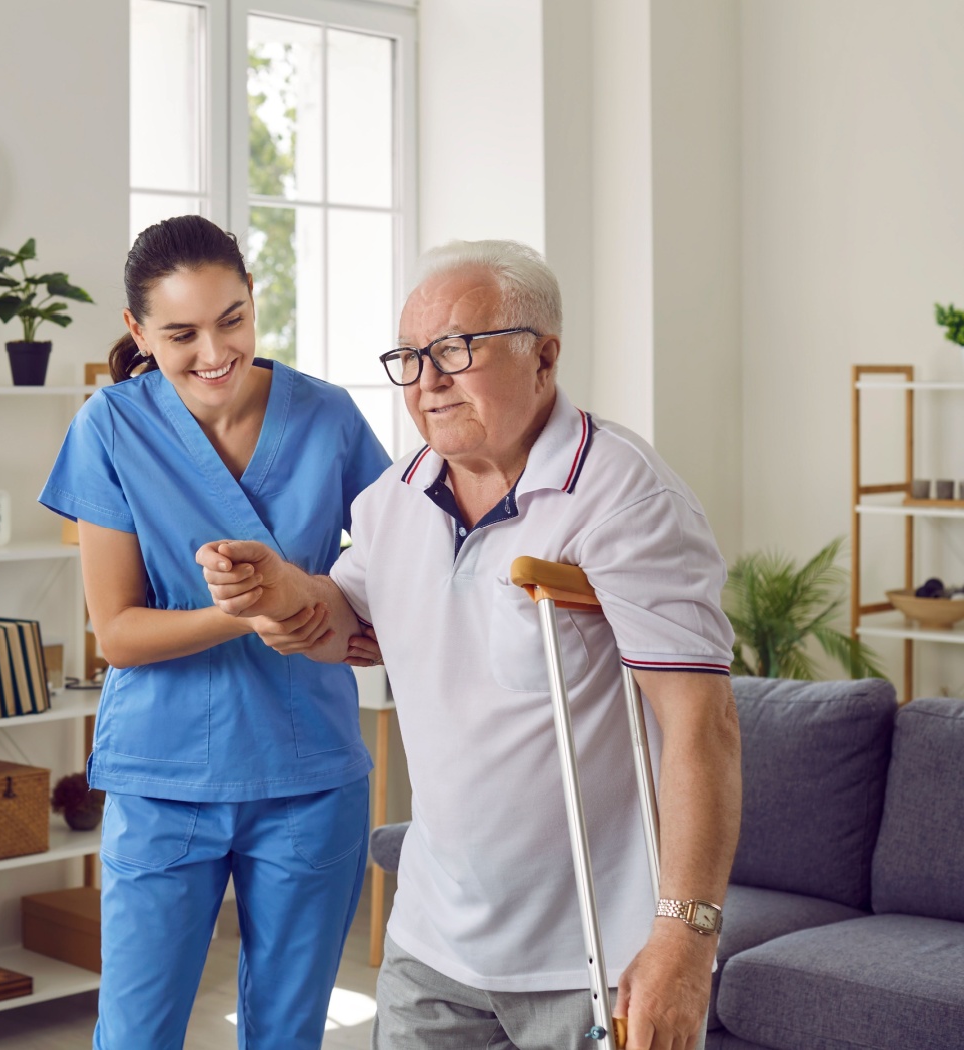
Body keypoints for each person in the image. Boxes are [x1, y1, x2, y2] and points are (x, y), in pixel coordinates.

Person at [197, 239, 742, 1050]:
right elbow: (349, 624)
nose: (428, 381)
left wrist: (684, 943)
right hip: (431, 946)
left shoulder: (625, 495)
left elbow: (703, 724)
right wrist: (284, 592)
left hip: (589, 955)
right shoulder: (396, 496)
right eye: (411, 358)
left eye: (455, 349)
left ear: (543, 357)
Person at [38, 214, 393, 1049]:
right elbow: (117, 633)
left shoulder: (329, 418)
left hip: (309, 773)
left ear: (253, 301)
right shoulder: (111, 428)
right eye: (182, 333)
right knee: (135, 1035)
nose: (214, 352)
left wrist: (343, 611)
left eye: (232, 319)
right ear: (137, 331)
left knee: (286, 1035)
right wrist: (246, 608)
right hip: (164, 780)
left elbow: (394, 568)